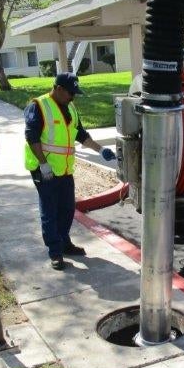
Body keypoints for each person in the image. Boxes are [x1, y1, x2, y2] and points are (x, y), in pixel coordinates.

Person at [24, 72, 116, 270]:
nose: (73, 97)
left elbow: (80, 134)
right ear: (58, 89)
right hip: (44, 170)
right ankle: (55, 252)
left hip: (64, 169)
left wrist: (101, 150)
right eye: (70, 93)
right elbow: (32, 137)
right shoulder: (38, 106)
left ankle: (64, 243)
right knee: (50, 211)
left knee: (66, 209)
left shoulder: (71, 107)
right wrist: (43, 164)